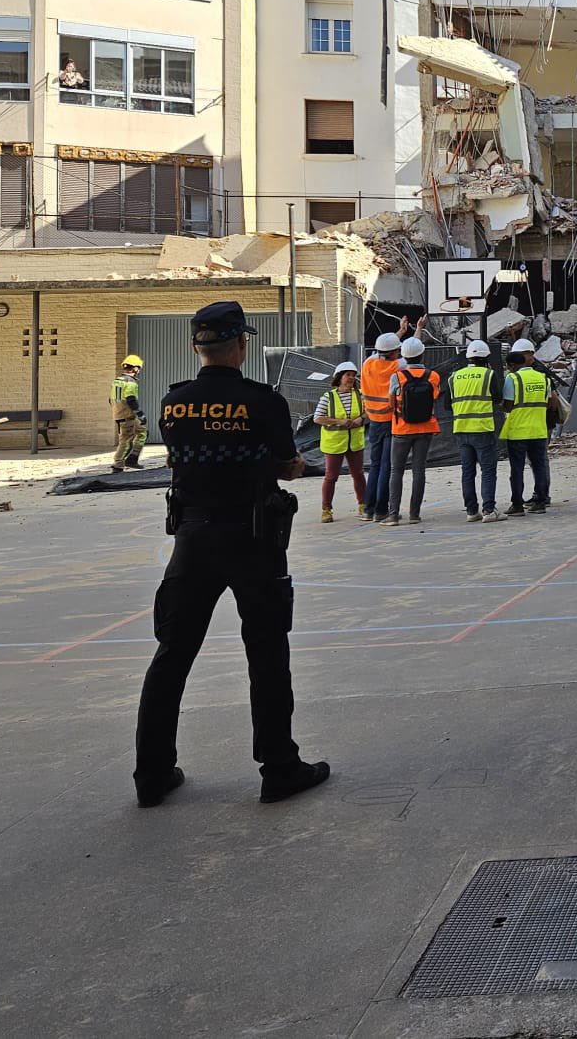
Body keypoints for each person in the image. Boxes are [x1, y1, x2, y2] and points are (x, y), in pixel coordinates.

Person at [133, 301, 328, 808]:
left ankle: (151, 774)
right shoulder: (261, 401)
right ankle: (279, 767)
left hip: (192, 539)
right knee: (266, 651)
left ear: (197, 348)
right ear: (241, 344)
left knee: (171, 656)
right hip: (253, 538)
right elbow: (289, 466)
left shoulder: (174, 402)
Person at [384, 337, 442, 526]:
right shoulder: (433, 376)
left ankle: (393, 515)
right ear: (422, 354)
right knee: (419, 471)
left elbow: (391, 403)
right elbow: (434, 398)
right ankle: (414, 514)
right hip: (425, 428)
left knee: (396, 471)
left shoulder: (397, 376)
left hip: (401, 428)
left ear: (404, 356)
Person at [449, 339, 504, 523]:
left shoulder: (454, 377)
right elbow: (497, 398)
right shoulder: (488, 374)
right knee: (488, 470)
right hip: (482, 429)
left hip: (461, 430)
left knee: (467, 471)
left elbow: (447, 405)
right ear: (486, 358)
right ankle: (488, 510)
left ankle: (472, 511)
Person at [501, 338, 553, 515]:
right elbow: (547, 403)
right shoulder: (543, 378)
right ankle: (540, 501)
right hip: (538, 430)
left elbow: (508, 405)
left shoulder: (512, 378)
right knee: (539, 467)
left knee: (517, 469)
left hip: (518, 431)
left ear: (514, 364)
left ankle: (517, 505)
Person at [313, 361, 365, 522]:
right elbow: (318, 418)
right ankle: (326, 509)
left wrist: (360, 419)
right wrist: (338, 422)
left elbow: (368, 412)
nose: (351, 378)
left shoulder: (360, 394)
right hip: (334, 443)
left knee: (358, 474)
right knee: (331, 476)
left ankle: (364, 505)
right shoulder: (328, 397)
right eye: (347, 375)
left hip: (354, 442)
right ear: (339, 377)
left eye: (353, 375)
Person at [359, 331, 402, 522]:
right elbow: (412, 353)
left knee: (375, 466)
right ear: (394, 352)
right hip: (389, 421)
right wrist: (414, 330)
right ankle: (381, 510)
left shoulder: (367, 363)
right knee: (386, 466)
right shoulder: (397, 366)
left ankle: (369, 509)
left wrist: (399, 332)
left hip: (373, 420)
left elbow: (382, 349)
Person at [110, 354, 148, 472]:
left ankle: (132, 459)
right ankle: (118, 464)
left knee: (143, 432)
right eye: (139, 368)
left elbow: (110, 400)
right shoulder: (130, 382)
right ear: (135, 369)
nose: (139, 371)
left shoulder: (117, 382)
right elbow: (131, 399)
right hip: (127, 416)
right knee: (126, 441)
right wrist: (140, 414)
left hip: (120, 414)